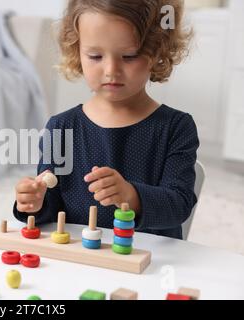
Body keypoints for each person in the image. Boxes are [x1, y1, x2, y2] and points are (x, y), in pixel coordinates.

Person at [13, 0, 199, 239]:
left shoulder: (176, 128)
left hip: (147, 264)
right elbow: (51, 206)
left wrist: (132, 196)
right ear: (76, 52)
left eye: (129, 56)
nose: (111, 69)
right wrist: (32, 203)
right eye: (95, 55)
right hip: (82, 260)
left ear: (157, 51)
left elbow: (179, 204)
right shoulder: (60, 128)